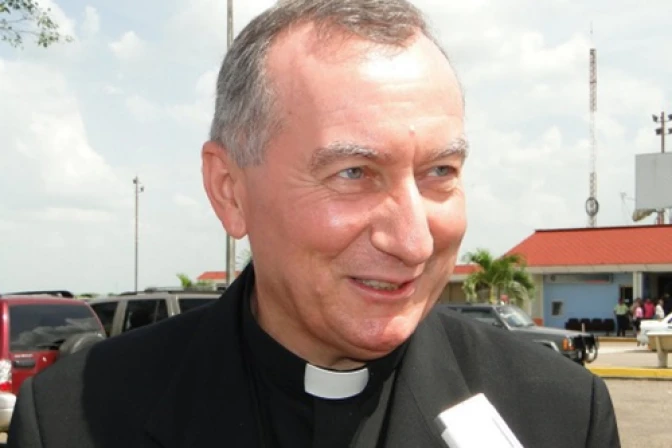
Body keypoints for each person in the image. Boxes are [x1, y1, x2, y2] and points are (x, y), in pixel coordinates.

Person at [8, 1, 620, 447]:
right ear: (230, 191)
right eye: (354, 173)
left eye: (440, 171)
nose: (414, 241)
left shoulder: (560, 415)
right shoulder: (73, 422)